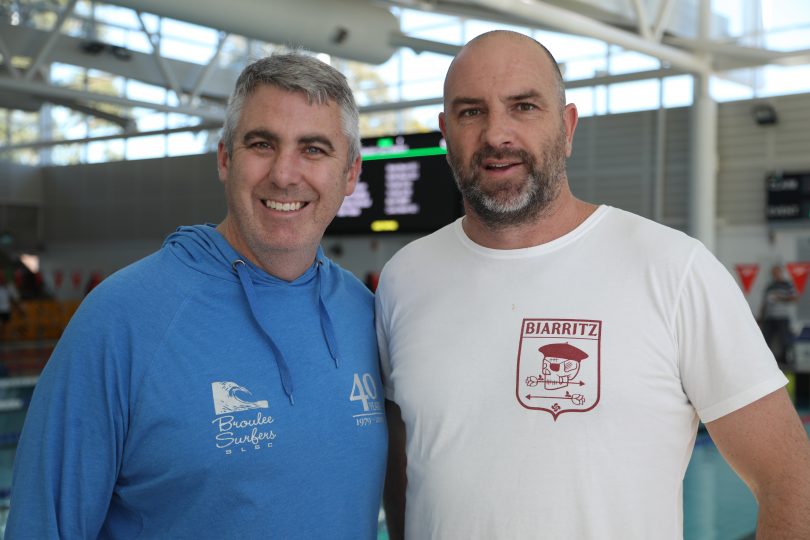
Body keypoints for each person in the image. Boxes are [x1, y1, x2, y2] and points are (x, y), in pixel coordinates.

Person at [376, 30, 810, 539]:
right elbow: (402, 462)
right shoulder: (404, 279)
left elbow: (790, 479)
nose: (497, 134)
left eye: (524, 106)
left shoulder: (674, 270)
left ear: (567, 126)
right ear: (445, 132)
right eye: (472, 111)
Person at [7, 52, 387, 538]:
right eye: (262, 144)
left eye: (313, 149)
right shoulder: (122, 320)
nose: (285, 174)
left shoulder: (364, 313)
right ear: (226, 158)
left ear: (350, 173)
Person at [760, 264, 799, 365]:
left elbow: (794, 298)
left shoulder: (787, 284)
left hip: (782, 316)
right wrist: (761, 317)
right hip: (770, 317)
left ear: (781, 273)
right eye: (773, 273)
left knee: (785, 339)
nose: (775, 275)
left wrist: (779, 297)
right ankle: (765, 360)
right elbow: (764, 303)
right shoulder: (769, 286)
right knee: (765, 338)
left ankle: (786, 360)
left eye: (776, 273)